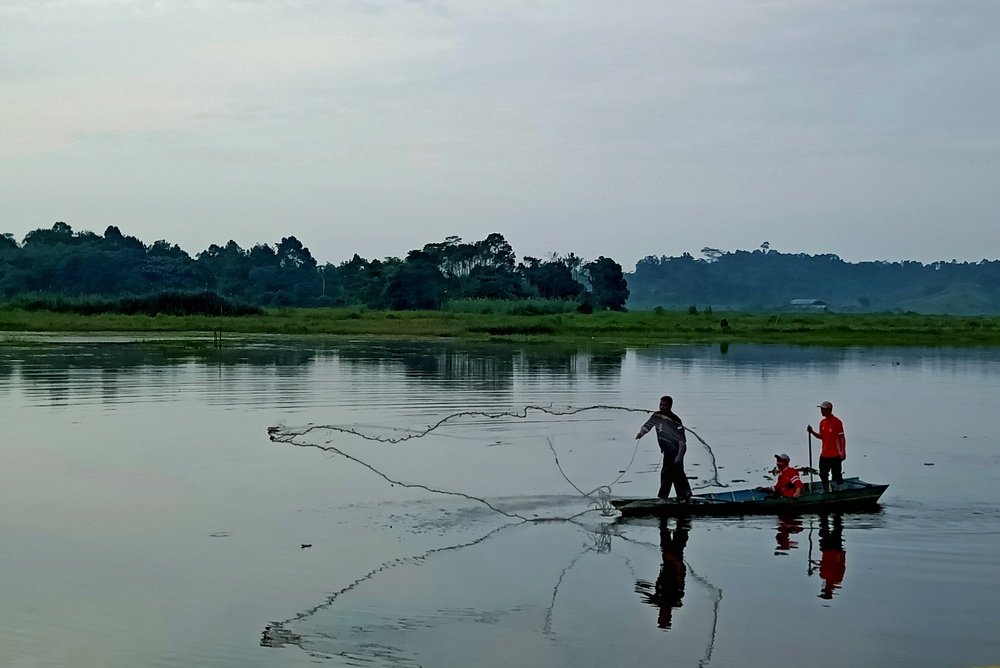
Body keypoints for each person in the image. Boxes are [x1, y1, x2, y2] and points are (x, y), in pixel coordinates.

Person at [636, 395, 692, 501]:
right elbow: (647, 426)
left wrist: (679, 457)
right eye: (660, 405)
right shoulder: (656, 416)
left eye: (664, 405)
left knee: (668, 473)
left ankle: (664, 498)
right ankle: (685, 495)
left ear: (670, 406)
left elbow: (682, 442)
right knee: (676, 474)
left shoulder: (675, 420)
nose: (662, 407)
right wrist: (641, 433)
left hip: (676, 451)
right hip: (666, 451)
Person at [807, 401, 846, 492]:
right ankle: (826, 491)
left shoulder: (837, 422)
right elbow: (822, 437)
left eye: (823, 409)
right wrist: (812, 432)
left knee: (836, 475)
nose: (821, 411)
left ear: (829, 410)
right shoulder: (822, 422)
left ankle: (839, 490)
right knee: (823, 474)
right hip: (824, 454)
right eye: (821, 409)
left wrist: (843, 451)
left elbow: (842, 438)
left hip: (835, 455)